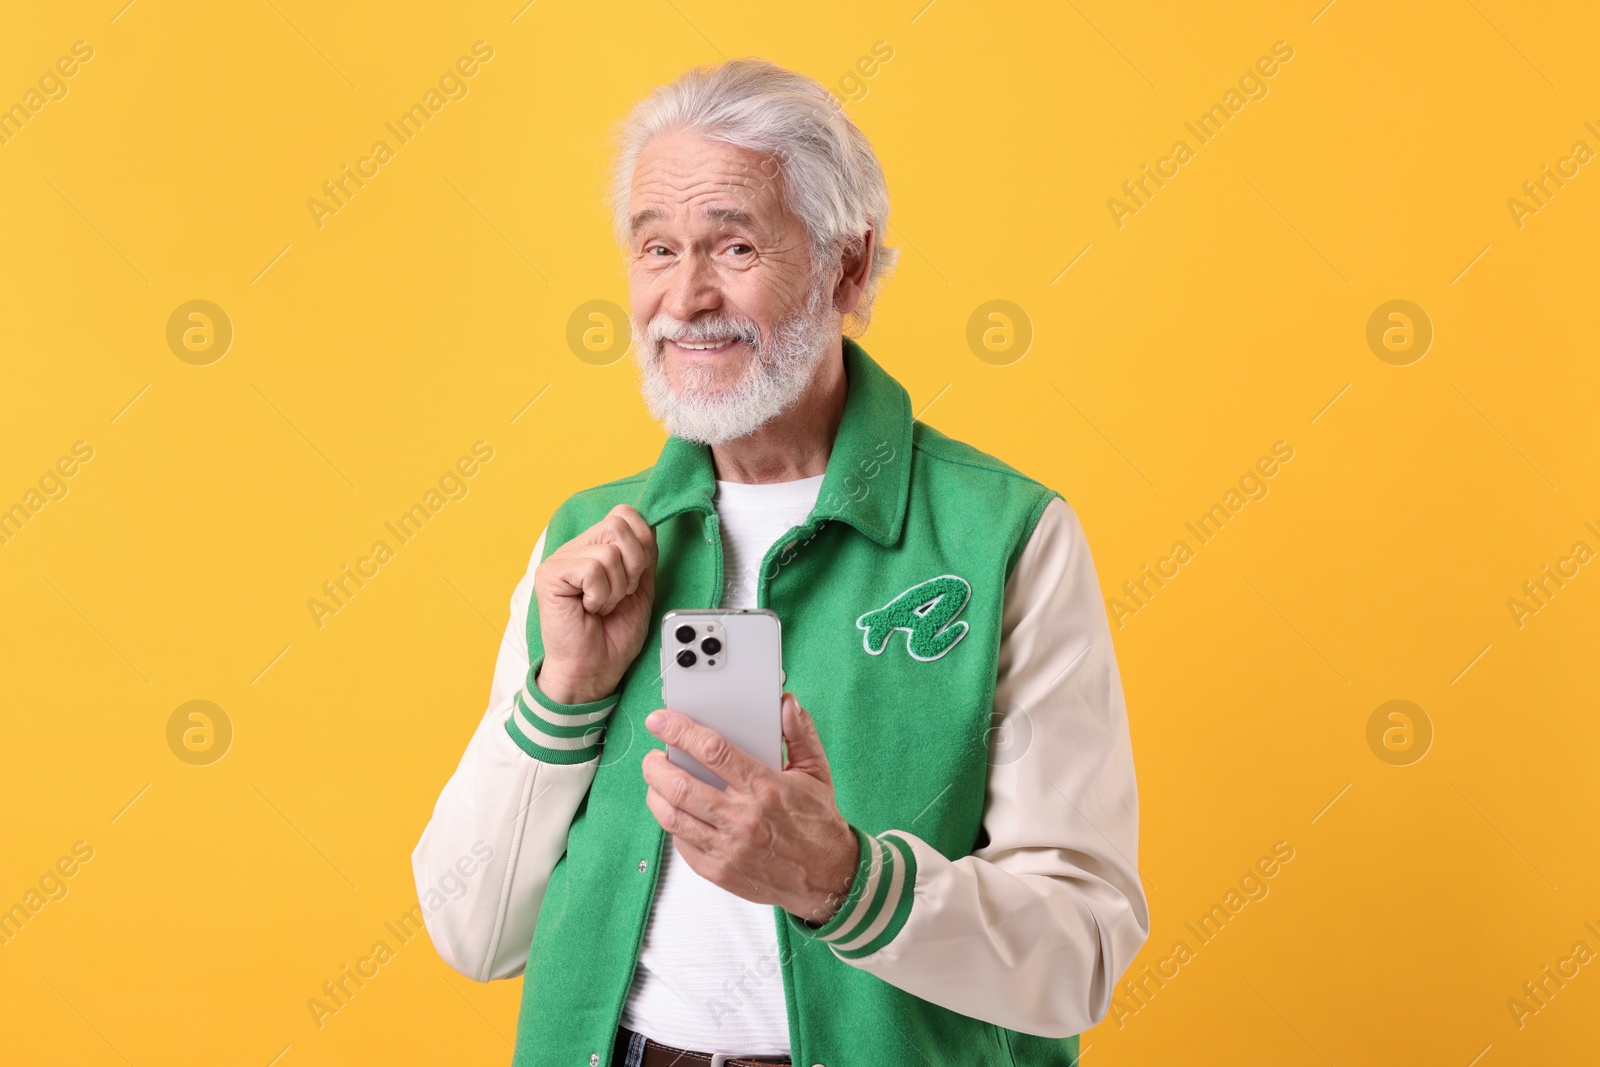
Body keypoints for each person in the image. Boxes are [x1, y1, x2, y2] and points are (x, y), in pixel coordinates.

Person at [412, 57, 1148, 1067]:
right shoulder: (586, 544)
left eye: (735, 243)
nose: (685, 295)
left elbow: (1082, 948)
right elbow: (473, 932)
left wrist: (843, 880)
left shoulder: (1008, 536)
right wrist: (566, 694)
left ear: (848, 269)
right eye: (656, 246)